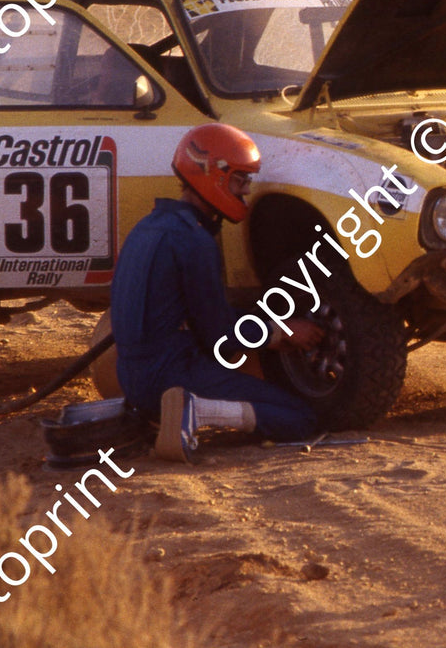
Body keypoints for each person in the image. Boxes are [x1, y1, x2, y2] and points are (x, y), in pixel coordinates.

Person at [109, 123, 323, 462]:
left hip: (131, 375)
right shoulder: (194, 240)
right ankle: (197, 411)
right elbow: (220, 336)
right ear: (214, 174)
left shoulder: (147, 226)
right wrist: (283, 330)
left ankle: (175, 409)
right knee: (300, 417)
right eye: (240, 180)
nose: (245, 192)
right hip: (169, 375)